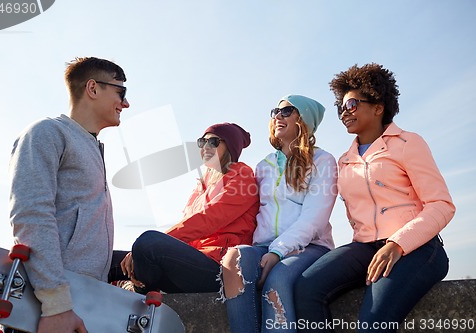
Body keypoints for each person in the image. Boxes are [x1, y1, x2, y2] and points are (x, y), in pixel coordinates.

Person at [294, 63, 456, 332]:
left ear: (378, 107)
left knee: (372, 324)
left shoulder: (407, 142)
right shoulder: (344, 161)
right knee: (305, 288)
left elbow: (441, 205)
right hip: (365, 248)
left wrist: (397, 244)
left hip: (416, 249)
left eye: (352, 104)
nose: (345, 113)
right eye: (341, 107)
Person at [9, 57, 130, 333]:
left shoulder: (92, 147)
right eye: (121, 92)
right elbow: (31, 213)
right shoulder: (46, 132)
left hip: (81, 305)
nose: (125, 103)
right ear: (93, 88)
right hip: (47, 312)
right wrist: (56, 304)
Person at [219, 95, 338, 333]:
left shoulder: (323, 161)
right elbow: (253, 214)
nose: (277, 117)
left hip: (310, 246)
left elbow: (314, 219)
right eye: (275, 112)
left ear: (303, 120)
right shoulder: (264, 165)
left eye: (286, 112)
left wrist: (278, 251)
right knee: (234, 262)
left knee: (278, 278)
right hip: (264, 246)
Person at [111, 122, 260, 294]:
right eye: (201, 142)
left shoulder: (242, 175)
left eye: (213, 142)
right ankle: (134, 285)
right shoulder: (202, 184)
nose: (205, 147)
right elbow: (187, 225)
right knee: (106, 259)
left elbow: (209, 219)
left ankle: (137, 289)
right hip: (192, 258)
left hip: (218, 265)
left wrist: (159, 240)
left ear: (230, 146)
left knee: (147, 244)